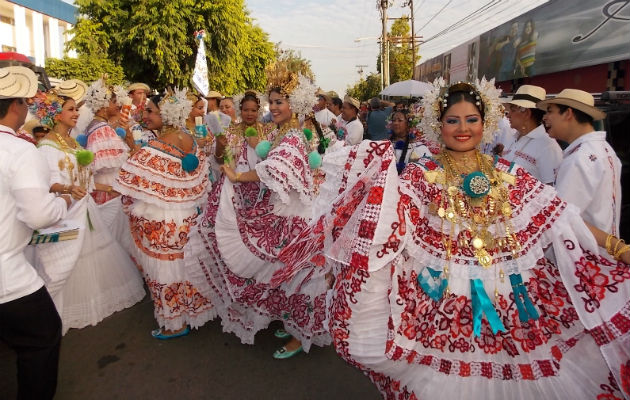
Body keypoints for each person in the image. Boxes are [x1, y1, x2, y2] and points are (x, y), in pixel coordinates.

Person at [284, 78, 630, 399]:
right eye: (453, 120)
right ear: (439, 125)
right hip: (442, 303)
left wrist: (618, 248)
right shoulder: (423, 174)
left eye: (471, 119)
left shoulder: (507, 173)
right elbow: (389, 224)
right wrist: (351, 264)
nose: (463, 129)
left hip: (508, 301)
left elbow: (559, 216)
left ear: (485, 122)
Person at [190, 62, 331, 359]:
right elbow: (267, 159)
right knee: (285, 276)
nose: (274, 107)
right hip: (287, 214)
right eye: (273, 101)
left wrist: (239, 177)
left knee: (301, 280)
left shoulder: (293, 135)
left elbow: (272, 170)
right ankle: (292, 324)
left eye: (280, 101)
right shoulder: (284, 132)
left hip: (297, 220)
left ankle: (300, 334)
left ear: (296, 104)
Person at [32, 90, 145, 335]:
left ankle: (96, 300)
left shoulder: (72, 141)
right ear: (55, 115)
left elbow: (85, 177)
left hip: (83, 205)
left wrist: (108, 187)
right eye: (70, 110)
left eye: (76, 109)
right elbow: (48, 182)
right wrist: (68, 189)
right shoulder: (47, 146)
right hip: (66, 210)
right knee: (71, 259)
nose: (76, 113)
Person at [114, 88, 214, 339]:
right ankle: (191, 312)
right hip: (187, 219)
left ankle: (176, 324)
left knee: (164, 272)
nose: (145, 115)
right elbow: (203, 177)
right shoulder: (189, 139)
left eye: (150, 111)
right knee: (185, 268)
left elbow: (127, 179)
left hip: (162, 221)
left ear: (166, 115)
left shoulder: (154, 147)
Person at [0, 66, 69, 400]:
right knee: (42, 337)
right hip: (7, 275)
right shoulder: (19, 150)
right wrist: (62, 202)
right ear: (15, 106)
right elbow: (40, 214)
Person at [540, 89, 622, 235]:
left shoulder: (580, 158)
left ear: (568, 114)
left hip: (586, 253)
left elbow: (560, 220)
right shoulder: (605, 149)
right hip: (605, 248)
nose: (545, 118)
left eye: (550, 111)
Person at [502, 85, 562, 184]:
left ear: (526, 113)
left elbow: (551, 188)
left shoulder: (548, 147)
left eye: (512, 110)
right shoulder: (513, 138)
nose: (508, 115)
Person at [389, 109, 432, 174]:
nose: (395, 123)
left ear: (408, 124)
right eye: (393, 120)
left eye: (400, 120)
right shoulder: (386, 146)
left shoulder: (419, 148)